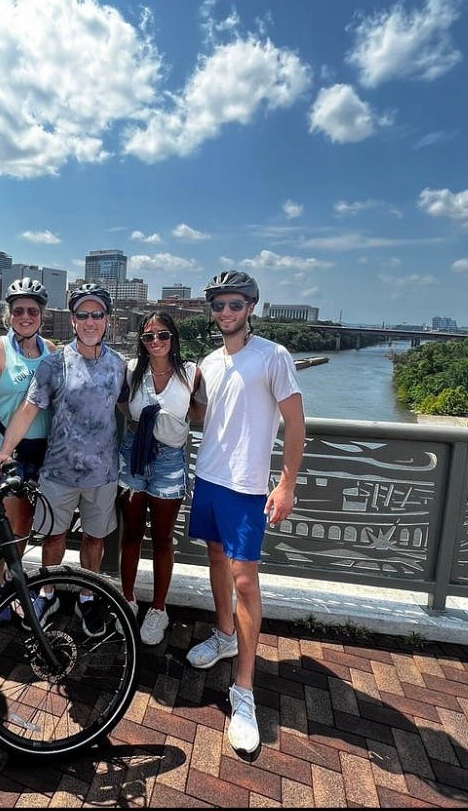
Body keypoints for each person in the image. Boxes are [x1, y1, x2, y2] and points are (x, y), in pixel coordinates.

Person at [187, 269, 306, 756]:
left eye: (234, 304)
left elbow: (296, 424)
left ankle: (244, 692)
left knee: (245, 581)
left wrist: (286, 484)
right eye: (218, 305)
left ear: (251, 307)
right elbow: (201, 417)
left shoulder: (273, 356)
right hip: (209, 477)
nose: (225, 313)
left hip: (247, 486)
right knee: (216, 558)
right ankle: (224, 633)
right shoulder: (209, 362)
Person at [0, 283, 127, 636]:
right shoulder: (54, 363)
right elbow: (28, 409)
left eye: (97, 315)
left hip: (103, 473)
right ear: (73, 320)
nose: (90, 321)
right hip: (59, 472)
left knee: (95, 540)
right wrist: (2, 453)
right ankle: (47, 593)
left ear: (107, 320)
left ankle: (88, 596)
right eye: (83, 315)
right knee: (54, 538)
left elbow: (130, 409)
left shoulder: (119, 365)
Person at [0, 277, 54, 617]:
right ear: (9, 315)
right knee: (1, 525)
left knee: (23, 528)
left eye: (32, 310)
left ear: (41, 315)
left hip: (42, 450)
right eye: (18, 310)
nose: (25, 316)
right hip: (6, 453)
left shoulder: (50, 350)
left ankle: (12, 583)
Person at [117, 312, 202, 645]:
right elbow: (124, 405)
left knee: (163, 538)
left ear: (173, 338)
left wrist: (169, 425)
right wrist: (143, 427)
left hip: (169, 459)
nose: (156, 342)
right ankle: (127, 599)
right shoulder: (131, 371)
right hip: (133, 453)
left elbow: (201, 410)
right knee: (132, 533)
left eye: (162, 335)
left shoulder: (191, 373)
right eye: (148, 337)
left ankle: (158, 608)